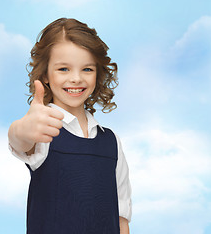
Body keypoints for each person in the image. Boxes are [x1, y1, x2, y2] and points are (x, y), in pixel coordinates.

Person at [8, 18, 132, 234]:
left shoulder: (112, 142)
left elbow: (121, 219)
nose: (76, 78)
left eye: (87, 69)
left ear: (98, 73)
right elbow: (18, 139)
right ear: (45, 74)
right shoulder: (43, 130)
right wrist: (23, 128)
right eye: (63, 69)